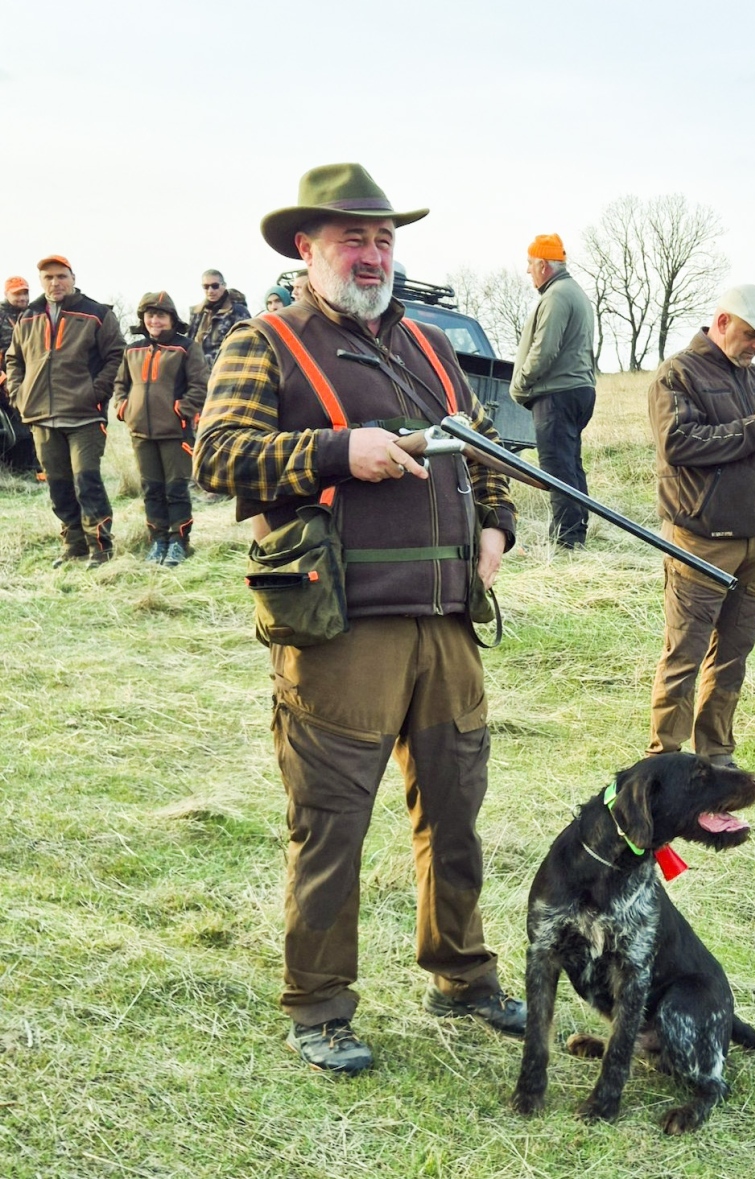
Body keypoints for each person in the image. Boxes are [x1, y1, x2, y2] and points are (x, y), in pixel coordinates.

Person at [194, 161, 524, 1074]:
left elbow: (481, 447)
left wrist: (495, 524)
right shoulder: (264, 343)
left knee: (457, 810)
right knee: (332, 821)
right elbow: (219, 456)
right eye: (353, 238)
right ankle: (320, 1006)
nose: (373, 254)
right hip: (340, 630)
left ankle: (461, 971)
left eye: (384, 239)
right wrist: (344, 450)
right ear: (308, 248)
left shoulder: (429, 345)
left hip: (448, 620)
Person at [646, 284, 755, 767]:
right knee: (685, 653)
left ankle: (717, 756)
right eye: (750, 335)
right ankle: (665, 759)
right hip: (701, 542)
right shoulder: (677, 375)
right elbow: (678, 443)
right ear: (722, 322)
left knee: (733, 655)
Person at [6, 256, 125, 567]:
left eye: (61, 276)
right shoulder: (29, 315)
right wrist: (19, 395)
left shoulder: (96, 313)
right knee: (58, 485)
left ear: (72, 277)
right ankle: (73, 545)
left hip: (84, 416)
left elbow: (116, 356)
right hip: (41, 417)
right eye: (48, 277)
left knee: (87, 481)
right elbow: (13, 360)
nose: (54, 282)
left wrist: (96, 393)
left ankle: (100, 546)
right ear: (41, 281)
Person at [510, 234, 596, 548]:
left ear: (543, 265)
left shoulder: (557, 296)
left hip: (557, 395)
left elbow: (544, 351)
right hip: (575, 391)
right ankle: (575, 536)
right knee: (570, 466)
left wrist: (519, 385)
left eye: (530, 264)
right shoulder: (573, 292)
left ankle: (565, 543)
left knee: (557, 472)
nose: (528, 271)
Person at [113, 292, 208, 565]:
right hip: (140, 433)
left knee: (176, 489)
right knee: (151, 489)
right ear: (143, 319)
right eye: (150, 315)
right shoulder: (133, 350)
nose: (155, 320)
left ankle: (179, 542)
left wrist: (181, 410)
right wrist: (123, 408)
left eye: (161, 315)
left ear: (171, 319)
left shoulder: (187, 348)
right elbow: (121, 385)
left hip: (175, 433)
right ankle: (158, 541)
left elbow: (200, 386)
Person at [0, 276, 40, 474]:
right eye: (17, 294)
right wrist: (3, 379)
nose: (22, 297)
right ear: (6, 294)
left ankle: (33, 468)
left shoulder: (34, 315)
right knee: (15, 428)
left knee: (35, 425)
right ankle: (17, 470)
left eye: (25, 292)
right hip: (5, 383)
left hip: (32, 380)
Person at [187, 270, 250, 371]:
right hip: (197, 373)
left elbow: (244, 346)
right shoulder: (197, 313)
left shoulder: (238, 312)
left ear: (224, 285)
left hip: (225, 372)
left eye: (215, 286)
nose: (210, 290)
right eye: (206, 287)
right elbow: (189, 343)